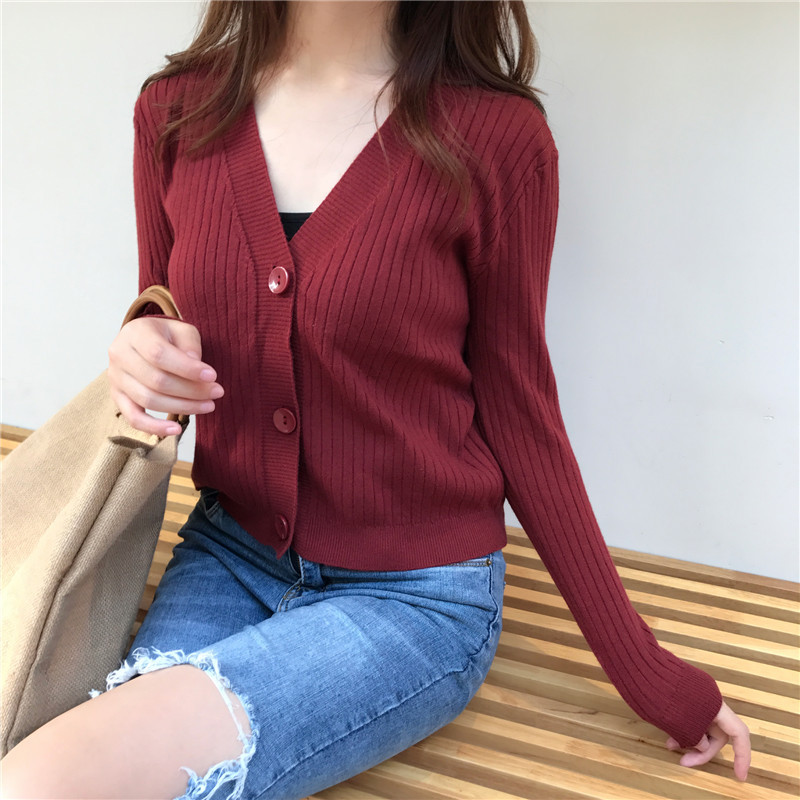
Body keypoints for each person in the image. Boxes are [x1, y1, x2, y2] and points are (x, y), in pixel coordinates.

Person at [0, 2, 752, 799]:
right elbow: (168, 317)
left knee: (45, 782)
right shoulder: (178, 111)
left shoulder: (496, 140)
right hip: (228, 551)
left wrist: (650, 673)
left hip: (415, 594)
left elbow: (521, 412)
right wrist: (142, 348)